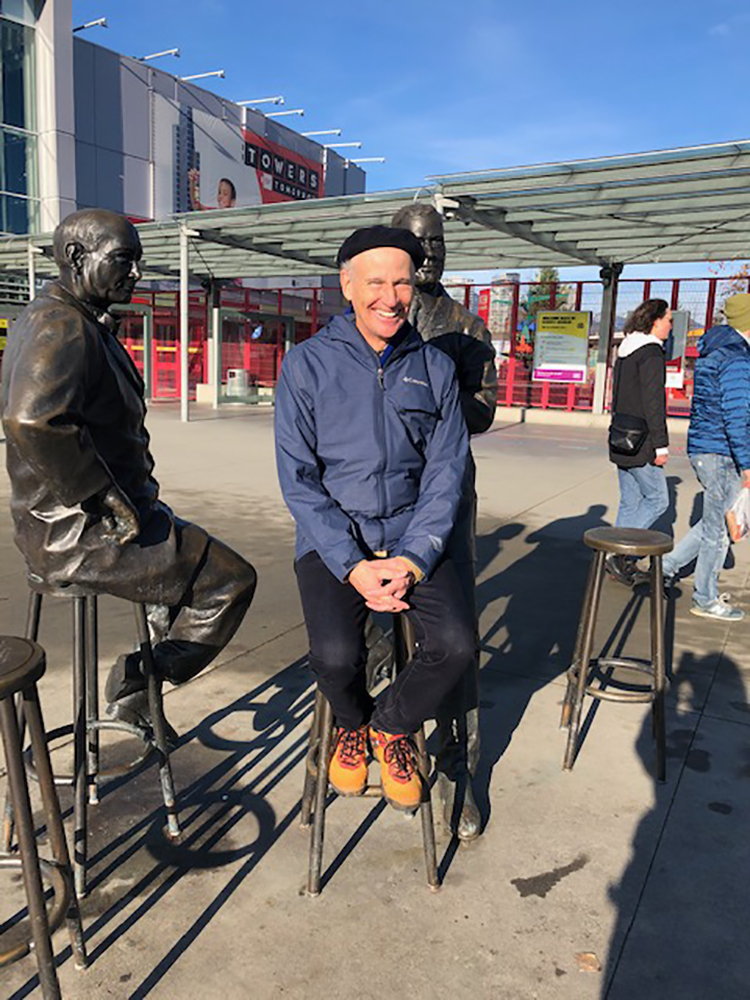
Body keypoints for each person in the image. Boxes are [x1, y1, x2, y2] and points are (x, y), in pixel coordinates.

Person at [1, 209, 257, 735]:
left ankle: (150, 656)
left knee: (187, 568)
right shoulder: (61, 325)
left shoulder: (60, 316)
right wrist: (102, 493)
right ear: (76, 257)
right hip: (82, 531)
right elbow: (30, 420)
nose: (136, 273)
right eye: (123, 259)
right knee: (231, 583)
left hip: (92, 518)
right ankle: (138, 681)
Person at [275, 225, 474, 812]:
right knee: (336, 658)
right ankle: (351, 724)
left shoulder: (434, 368)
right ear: (347, 286)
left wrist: (414, 558)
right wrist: (353, 565)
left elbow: (446, 472)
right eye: (376, 283)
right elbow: (299, 480)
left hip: (414, 537)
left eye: (402, 283)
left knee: (456, 646)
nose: (391, 298)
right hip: (334, 541)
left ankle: (389, 728)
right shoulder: (306, 365)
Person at [391, 202, 497, 841]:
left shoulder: (467, 326)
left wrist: (434, 384)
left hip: (449, 493)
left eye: (438, 242)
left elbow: (484, 410)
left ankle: (461, 767)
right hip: (381, 495)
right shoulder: (377, 317)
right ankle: (388, 740)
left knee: (458, 635)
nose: (430, 253)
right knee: (378, 630)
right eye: (417, 242)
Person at [642, 293, 750, 620]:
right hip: (720, 451)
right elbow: (737, 415)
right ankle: (705, 599)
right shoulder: (736, 357)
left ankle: (667, 567)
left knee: (713, 521)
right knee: (719, 531)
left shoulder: (716, 349)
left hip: (707, 447)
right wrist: (747, 463)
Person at [606, 298, 671, 585]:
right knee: (658, 500)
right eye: (668, 320)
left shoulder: (625, 350)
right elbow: (654, 403)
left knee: (630, 502)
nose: (670, 325)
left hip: (621, 435)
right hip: (642, 440)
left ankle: (618, 561)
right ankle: (618, 555)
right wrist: (661, 444)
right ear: (655, 321)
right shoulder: (652, 353)